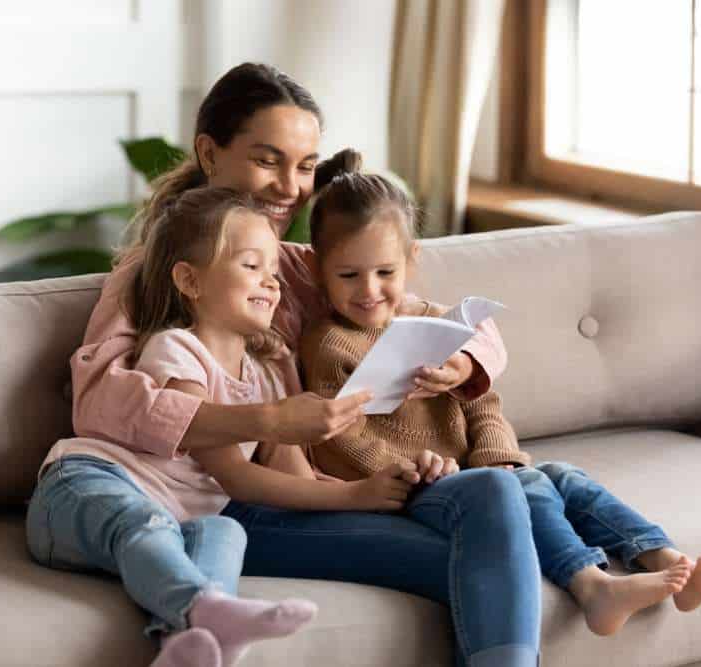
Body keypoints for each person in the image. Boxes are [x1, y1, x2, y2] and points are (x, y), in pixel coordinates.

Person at [61, 62, 543, 667]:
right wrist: (268, 422)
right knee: (474, 549)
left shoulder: (301, 267)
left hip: (325, 483)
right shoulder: (152, 274)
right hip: (244, 501)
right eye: (268, 160)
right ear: (210, 154)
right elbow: (101, 403)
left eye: (307, 166)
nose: (291, 187)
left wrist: (464, 359)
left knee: (504, 493)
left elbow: (447, 314)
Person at [296, 169, 701, 638]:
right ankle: (591, 586)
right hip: (415, 490)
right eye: (349, 275)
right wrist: (414, 469)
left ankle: (671, 561)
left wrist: (497, 460)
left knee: (563, 477)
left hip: (477, 476)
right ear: (317, 270)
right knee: (528, 488)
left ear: (411, 260)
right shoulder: (328, 344)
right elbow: (339, 437)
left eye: (385, 273)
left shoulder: (437, 326)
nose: (369, 290)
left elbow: (483, 404)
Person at [28, 188, 342, 667]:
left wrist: (366, 468)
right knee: (145, 520)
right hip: (85, 487)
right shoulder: (177, 350)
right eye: (251, 266)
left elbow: (294, 481)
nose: (272, 283)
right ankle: (204, 609)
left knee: (225, 533)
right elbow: (233, 474)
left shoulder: (263, 377)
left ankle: (183, 645)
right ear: (190, 281)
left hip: (176, 522)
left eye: (274, 272)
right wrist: (358, 496)